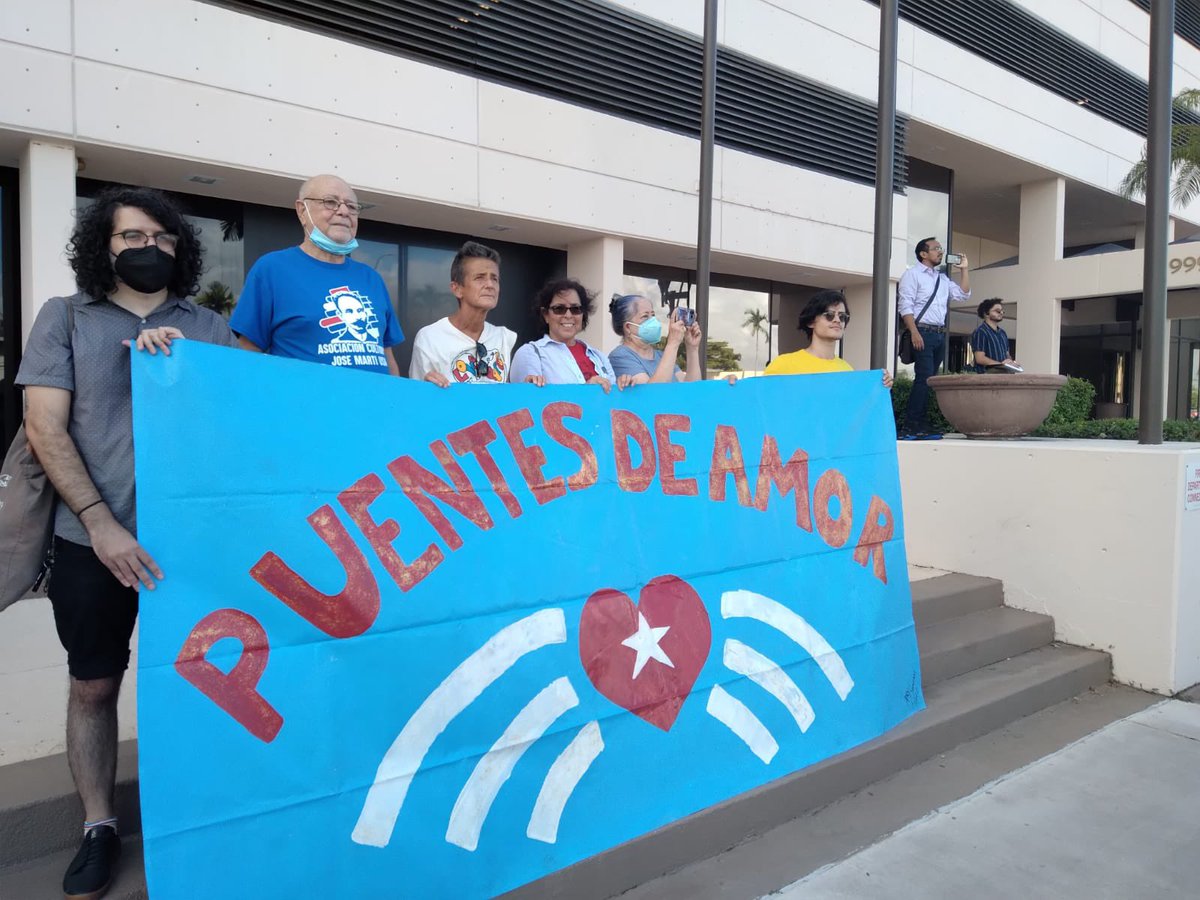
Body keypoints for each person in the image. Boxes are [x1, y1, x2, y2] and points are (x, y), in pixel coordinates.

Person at [16, 186, 236, 899]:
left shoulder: (206, 325)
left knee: (205, 684)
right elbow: (45, 427)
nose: (149, 250)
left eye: (163, 239)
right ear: (102, 246)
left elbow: (238, 424)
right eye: (132, 237)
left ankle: (200, 821)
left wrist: (178, 376)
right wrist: (101, 521)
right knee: (95, 683)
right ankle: (99, 825)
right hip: (91, 541)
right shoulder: (64, 318)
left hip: (191, 549)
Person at [229, 174, 403, 374]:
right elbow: (248, 351)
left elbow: (386, 355)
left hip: (374, 404)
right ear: (302, 211)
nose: (344, 211)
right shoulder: (272, 269)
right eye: (331, 202)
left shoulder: (371, 278)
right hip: (304, 403)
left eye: (352, 206)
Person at [409, 241, 537, 386]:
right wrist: (427, 387)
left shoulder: (504, 337)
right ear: (457, 289)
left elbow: (505, 395)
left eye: (494, 278)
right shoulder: (430, 338)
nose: (490, 285)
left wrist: (526, 387)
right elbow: (417, 398)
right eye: (480, 277)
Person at [897, 237, 971, 440]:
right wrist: (914, 332)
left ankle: (920, 424)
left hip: (939, 333)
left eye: (941, 248)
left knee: (929, 381)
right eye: (936, 248)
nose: (940, 252)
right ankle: (911, 426)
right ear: (923, 253)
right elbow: (905, 305)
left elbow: (963, 295)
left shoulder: (942, 279)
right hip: (922, 332)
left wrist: (964, 269)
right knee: (923, 379)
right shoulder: (912, 275)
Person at [510, 278, 630, 391]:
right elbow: (530, 404)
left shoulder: (599, 356)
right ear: (545, 314)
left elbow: (612, 401)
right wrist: (586, 390)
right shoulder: (530, 353)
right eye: (559, 309)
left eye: (575, 309)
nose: (568, 315)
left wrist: (624, 385)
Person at [765, 289, 892, 386]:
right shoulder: (784, 365)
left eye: (842, 316)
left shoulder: (847, 370)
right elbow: (762, 404)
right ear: (811, 322)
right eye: (829, 315)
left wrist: (881, 385)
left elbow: (856, 410)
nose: (837, 320)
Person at [608, 294, 702, 383]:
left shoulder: (661, 356)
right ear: (628, 327)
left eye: (653, 315)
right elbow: (653, 394)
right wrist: (673, 342)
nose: (653, 320)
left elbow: (692, 389)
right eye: (645, 316)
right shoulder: (619, 356)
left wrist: (692, 348)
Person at [970, 298, 1019, 373]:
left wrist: (1011, 363)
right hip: (986, 378)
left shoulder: (1002, 333)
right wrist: (1001, 364)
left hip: (1003, 375)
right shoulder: (981, 332)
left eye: (1002, 311)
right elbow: (980, 358)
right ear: (986, 313)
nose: (1001, 313)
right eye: (998, 311)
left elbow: (1007, 355)